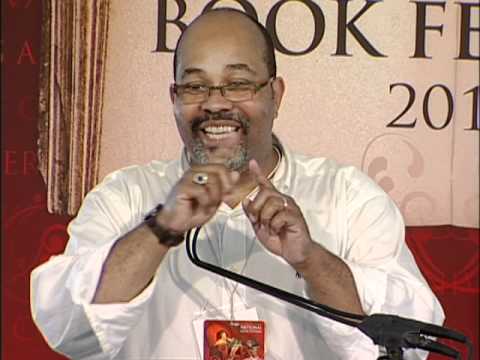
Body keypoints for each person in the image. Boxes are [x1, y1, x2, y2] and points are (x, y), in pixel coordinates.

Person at [30, 7, 445, 360]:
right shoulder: (124, 196)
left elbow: (412, 341)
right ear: (174, 99)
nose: (215, 102)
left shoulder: (349, 197)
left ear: (275, 95)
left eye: (238, 83)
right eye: (195, 86)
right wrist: (161, 228)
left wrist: (310, 260)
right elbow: (72, 330)